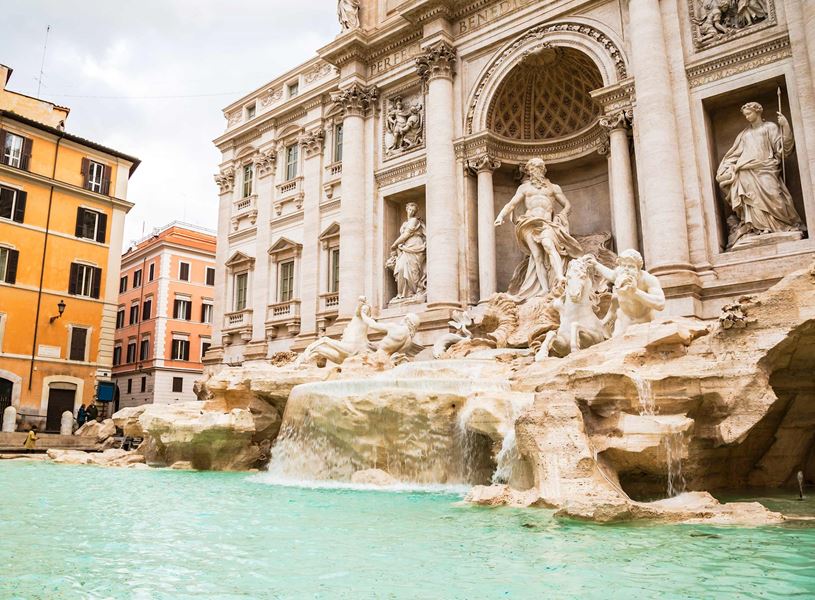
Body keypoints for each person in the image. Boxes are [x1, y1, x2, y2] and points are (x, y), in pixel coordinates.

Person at [716, 101, 805, 247]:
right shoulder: (744, 134)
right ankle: (758, 228)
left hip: (766, 168)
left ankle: (781, 225)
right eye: (745, 115)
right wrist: (726, 169)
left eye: (749, 113)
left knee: (775, 196)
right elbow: (733, 154)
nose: (747, 117)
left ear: (758, 112)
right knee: (752, 202)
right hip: (745, 171)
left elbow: (782, 149)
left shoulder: (770, 127)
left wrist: (786, 127)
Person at [494, 158, 583, 298]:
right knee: (537, 256)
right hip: (528, 223)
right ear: (529, 171)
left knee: (549, 245)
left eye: (538, 168)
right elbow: (511, 204)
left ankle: (560, 276)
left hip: (546, 223)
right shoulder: (524, 188)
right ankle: (545, 290)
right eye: (532, 169)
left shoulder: (553, 187)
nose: (535, 171)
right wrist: (500, 216)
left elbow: (567, 205)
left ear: (543, 169)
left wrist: (562, 215)